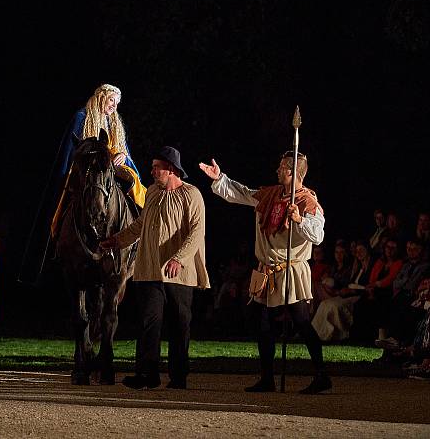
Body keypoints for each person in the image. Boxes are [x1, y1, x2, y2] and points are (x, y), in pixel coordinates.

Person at [199, 151, 331, 394]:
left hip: (290, 269)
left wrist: (299, 220)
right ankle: (268, 378)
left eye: (281, 167)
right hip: (267, 270)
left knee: (301, 322)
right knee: (263, 323)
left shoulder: (307, 201)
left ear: (292, 172)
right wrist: (220, 179)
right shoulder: (270, 194)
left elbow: (318, 236)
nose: (277, 171)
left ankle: (322, 375)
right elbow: (244, 193)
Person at [100, 146, 208, 390]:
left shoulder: (192, 195)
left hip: (179, 273)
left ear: (170, 169)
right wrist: (117, 240)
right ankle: (147, 374)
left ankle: (178, 376)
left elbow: (196, 232)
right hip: (150, 269)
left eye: (155, 167)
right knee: (150, 322)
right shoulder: (152, 192)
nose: (151, 171)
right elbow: (140, 225)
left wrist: (179, 259)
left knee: (179, 324)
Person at [20, 83, 145, 284]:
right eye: (111, 100)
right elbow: (73, 149)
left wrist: (123, 156)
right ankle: (59, 238)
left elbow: (124, 150)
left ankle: (140, 230)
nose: (114, 105)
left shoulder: (115, 123)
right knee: (67, 195)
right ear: (101, 97)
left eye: (116, 102)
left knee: (133, 181)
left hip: (111, 166)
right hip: (86, 165)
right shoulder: (83, 117)